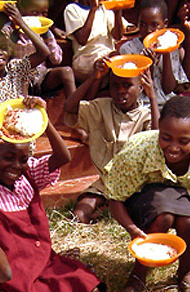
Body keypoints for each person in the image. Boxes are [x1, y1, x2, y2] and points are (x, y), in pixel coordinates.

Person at [0, 96, 106, 292]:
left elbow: (63, 156)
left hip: (46, 261)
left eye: (23, 159)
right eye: (8, 158)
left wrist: (43, 120)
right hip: (16, 273)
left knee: (86, 284)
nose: (16, 166)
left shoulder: (28, 176)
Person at [103, 96, 190, 292]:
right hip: (141, 204)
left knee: (187, 221)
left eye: (184, 141)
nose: (174, 147)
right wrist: (132, 229)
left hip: (183, 202)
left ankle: (186, 273)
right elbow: (115, 199)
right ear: (158, 128)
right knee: (164, 215)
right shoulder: (138, 150)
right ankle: (137, 279)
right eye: (166, 137)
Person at [64, 57, 159, 224]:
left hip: (136, 187)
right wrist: (94, 77)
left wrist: (153, 98)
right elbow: (69, 108)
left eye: (127, 85)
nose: (121, 91)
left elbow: (157, 141)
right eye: (115, 85)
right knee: (78, 216)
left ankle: (111, 208)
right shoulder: (100, 107)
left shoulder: (146, 116)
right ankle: (106, 206)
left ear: (140, 87)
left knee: (144, 216)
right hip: (106, 184)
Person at [119, 0, 190, 107]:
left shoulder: (172, 47)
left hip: (168, 103)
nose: (148, 30)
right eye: (142, 24)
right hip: (143, 105)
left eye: (154, 25)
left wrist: (166, 53)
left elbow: (168, 88)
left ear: (165, 24)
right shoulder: (129, 49)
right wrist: (149, 64)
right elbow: (142, 91)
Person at [2, 0, 76, 98]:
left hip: (41, 75)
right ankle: (22, 106)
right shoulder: (12, 27)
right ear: (22, 12)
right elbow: (1, 49)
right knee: (23, 68)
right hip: (19, 77)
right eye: (35, 13)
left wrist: (48, 37)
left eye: (44, 14)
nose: (40, 17)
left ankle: (74, 108)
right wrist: (16, 28)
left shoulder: (45, 32)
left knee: (67, 72)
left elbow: (56, 60)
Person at [64, 0, 128, 83]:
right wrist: (93, 9)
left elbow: (118, 36)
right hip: (86, 59)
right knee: (104, 64)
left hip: (107, 55)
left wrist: (117, 12)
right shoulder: (72, 9)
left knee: (124, 54)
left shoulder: (103, 8)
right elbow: (82, 39)